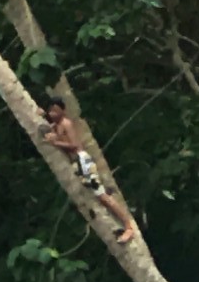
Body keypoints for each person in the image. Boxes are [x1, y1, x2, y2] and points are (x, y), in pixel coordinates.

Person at [40, 99, 137, 242]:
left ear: (63, 110)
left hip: (82, 161)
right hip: (77, 164)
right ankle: (118, 226)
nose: (53, 113)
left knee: (103, 196)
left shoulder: (66, 124)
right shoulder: (56, 125)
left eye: (56, 110)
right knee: (94, 198)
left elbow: (75, 145)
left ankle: (128, 226)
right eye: (51, 111)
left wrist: (56, 143)